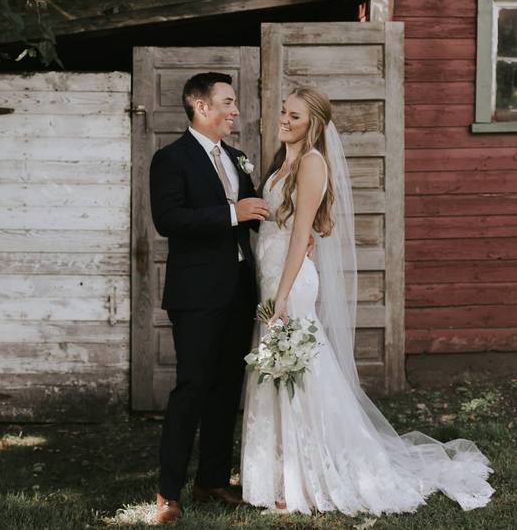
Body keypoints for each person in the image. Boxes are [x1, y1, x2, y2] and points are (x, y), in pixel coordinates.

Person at [241, 87, 494, 515]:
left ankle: (308, 476)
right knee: (278, 371)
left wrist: (281, 298)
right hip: (271, 279)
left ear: (313, 124)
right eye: (284, 111)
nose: (284, 119)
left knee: (298, 373)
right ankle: (278, 470)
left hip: (290, 285)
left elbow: (301, 234)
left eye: (295, 116)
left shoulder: (312, 163)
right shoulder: (282, 162)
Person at [149, 72, 268, 524]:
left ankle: (212, 480)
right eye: (228, 102)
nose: (235, 110)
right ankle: (168, 493)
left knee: (226, 389)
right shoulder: (171, 159)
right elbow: (169, 219)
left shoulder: (237, 158)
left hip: (239, 291)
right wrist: (231, 213)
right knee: (193, 387)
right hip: (196, 294)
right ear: (201, 106)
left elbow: (254, 215)